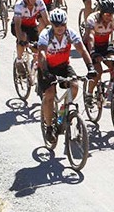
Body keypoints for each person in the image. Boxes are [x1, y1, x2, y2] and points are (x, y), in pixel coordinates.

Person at [37, 9, 97, 144]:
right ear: (52, 25)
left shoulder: (70, 33)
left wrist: (90, 67)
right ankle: (49, 127)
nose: (60, 28)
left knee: (75, 86)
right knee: (50, 94)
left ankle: (62, 114)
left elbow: (82, 49)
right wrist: (46, 73)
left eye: (62, 25)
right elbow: (41, 54)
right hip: (47, 67)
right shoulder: (46, 34)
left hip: (63, 66)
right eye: (57, 25)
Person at [12, 0, 50, 74]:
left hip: (32, 26)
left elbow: (46, 20)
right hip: (19, 26)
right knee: (23, 37)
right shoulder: (19, 6)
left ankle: (33, 65)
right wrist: (21, 40)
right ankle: (19, 60)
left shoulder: (39, 2)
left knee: (37, 47)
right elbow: (17, 25)